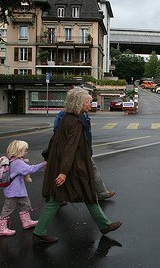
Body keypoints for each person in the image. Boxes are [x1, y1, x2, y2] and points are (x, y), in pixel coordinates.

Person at [33, 88, 122, 244]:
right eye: (88, 101)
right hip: (74, 167)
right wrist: (63, 172)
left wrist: (48, 158)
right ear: (80, 103)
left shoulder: (66, 118)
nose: (91, 104)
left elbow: (54, 141)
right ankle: (105, 225)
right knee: (85, 194)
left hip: (65, 165)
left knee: (62, 198)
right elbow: (70, 148)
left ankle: (105, 225)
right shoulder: (76, 122)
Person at [54, 107, 115, 201]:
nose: (90, 105)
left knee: (67, 172)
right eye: (87, 102)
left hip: (82, 148)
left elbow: (87, 133)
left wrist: (88, 148)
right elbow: (58, 134)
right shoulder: (67, 115)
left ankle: (56, 198)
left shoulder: (83, 114)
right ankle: (100, 194)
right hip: (75, 149)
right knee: (87, 170)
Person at [0, 140, 47, 236]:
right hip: (13, 192)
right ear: (18, 151)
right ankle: (2, 229)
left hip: (18, 191)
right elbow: (30, 169)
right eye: (25, 150)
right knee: (7, 209)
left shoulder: (13, 161)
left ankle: (27, 222)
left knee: (26, 204)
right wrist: (43, 164)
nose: (26, 152)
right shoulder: (17, 163)